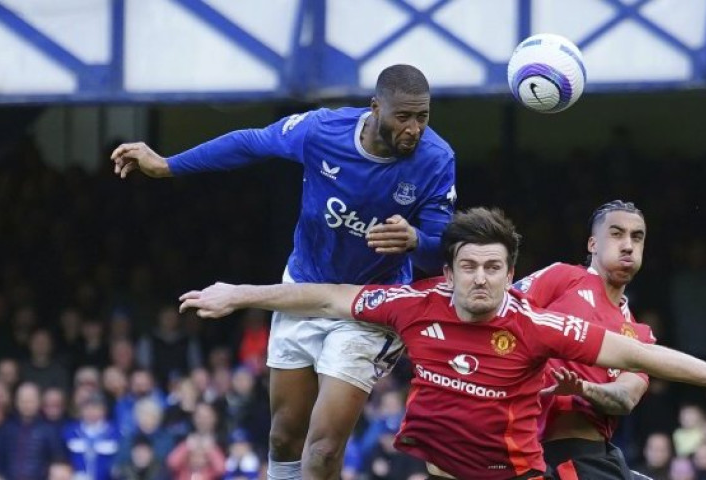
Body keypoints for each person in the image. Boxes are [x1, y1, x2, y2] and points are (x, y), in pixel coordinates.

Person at [179, 207, 706, 480]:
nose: (481, 279)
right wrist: (238, 294)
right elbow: (329, 296)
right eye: (469, 267)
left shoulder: (535, 326)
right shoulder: (416, 304)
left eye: (493, 268)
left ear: (510, 274)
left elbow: (639, 355)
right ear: (450, 271)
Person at [112, 64, 456, 479]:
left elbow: (441, 252)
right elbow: (251, 142)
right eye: (403, 117)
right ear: (375, 108)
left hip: (370, 303)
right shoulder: (322, 130)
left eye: (422, 117)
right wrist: (168, 165)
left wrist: (416, 239)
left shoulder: (436, 159)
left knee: (323, 448)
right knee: (283, 438)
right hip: (304, 286)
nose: (414, 129)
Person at [513, 201, 656, 479]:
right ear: (593, 244)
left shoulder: (640, 334)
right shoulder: (562, 278)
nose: (628, 245)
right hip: (528, 444)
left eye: (637, 237)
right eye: (616, 234)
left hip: (592, 454)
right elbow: (501, 316)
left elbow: (626, 398)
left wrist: (583, 389)